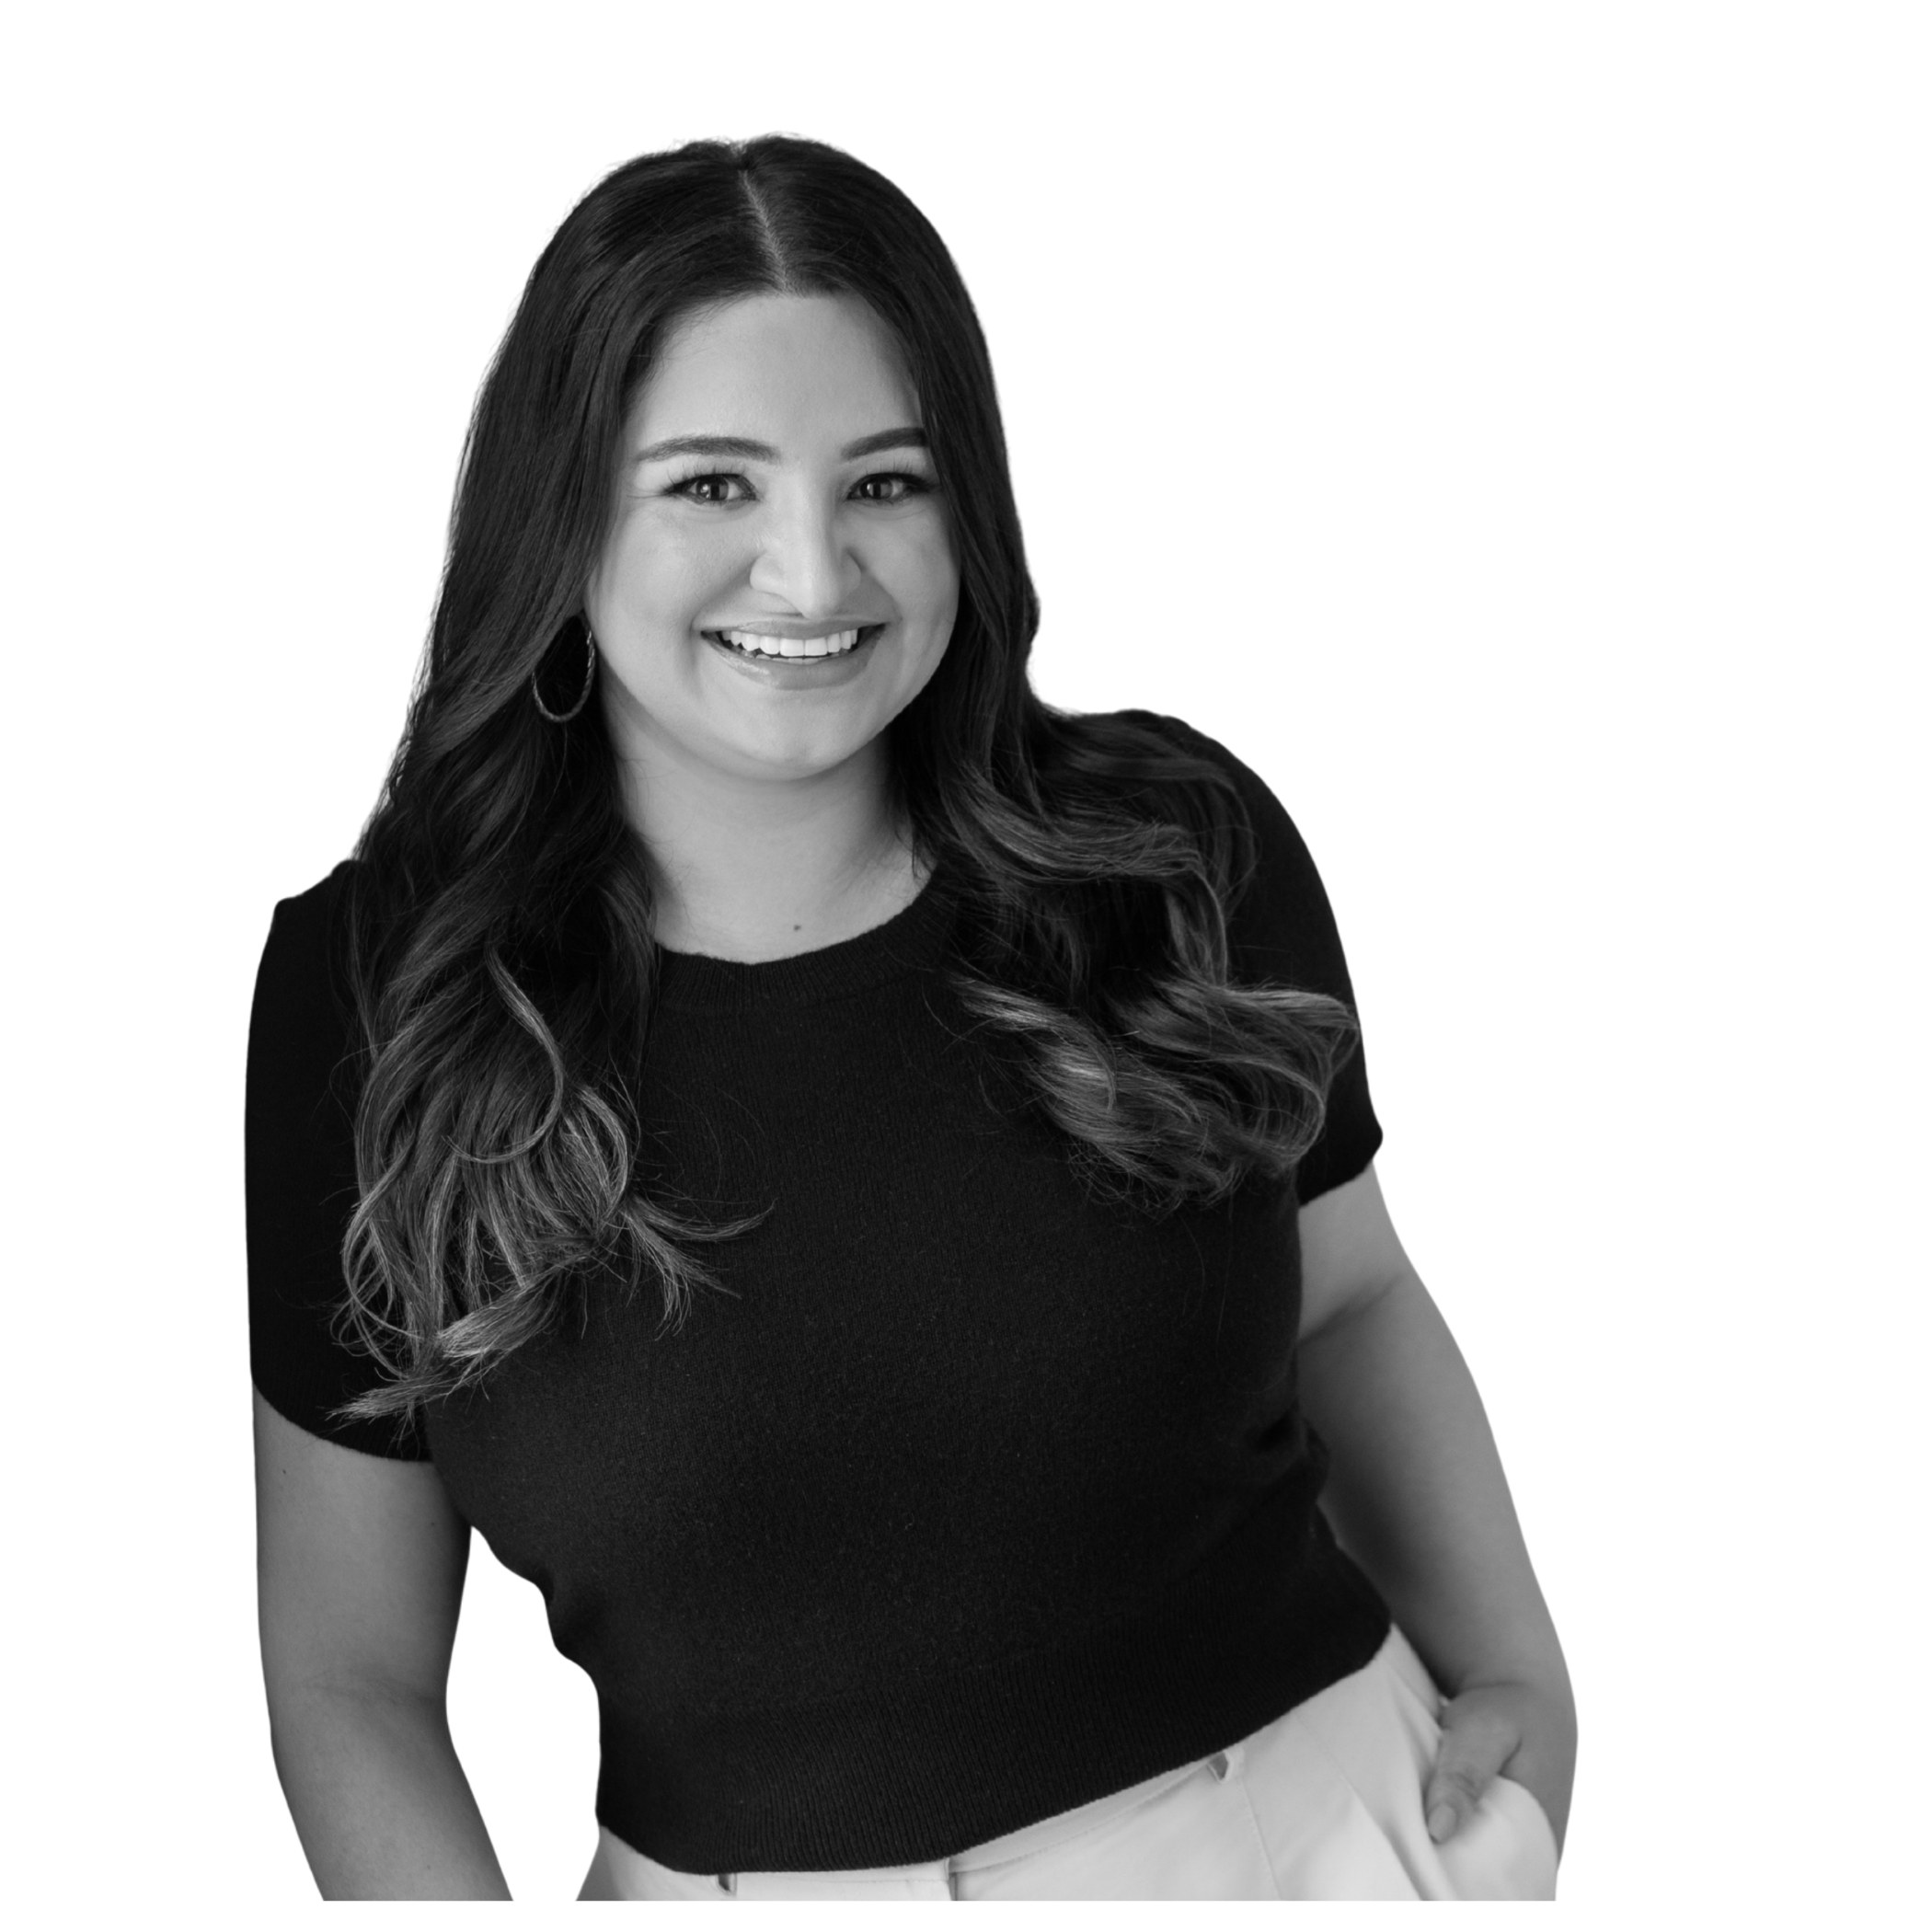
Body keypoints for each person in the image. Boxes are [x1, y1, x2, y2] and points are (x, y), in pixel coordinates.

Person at [247, 132, 1577, 1908]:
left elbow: (1351, 1298)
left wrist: (1526, 1668)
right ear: (559, 520)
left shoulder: (1175, 849)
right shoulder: (375, 997)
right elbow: (353, 1673)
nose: (812, 577)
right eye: (711, 486)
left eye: (885, 480)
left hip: (1320, 1833)